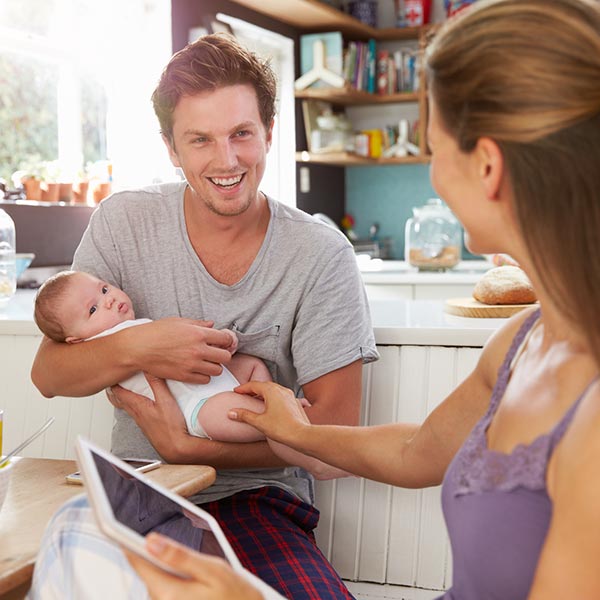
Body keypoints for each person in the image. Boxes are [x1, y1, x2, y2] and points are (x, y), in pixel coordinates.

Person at [97, 0, 600, 598]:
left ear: (487, 167)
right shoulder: (522, 342)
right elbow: (415, 450)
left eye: (434, 149)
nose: (433, 176)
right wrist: (295, 430)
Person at [28, 32, 377, 600]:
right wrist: (144, 346)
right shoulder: (123, 223)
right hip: (139, 493)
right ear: (171, 147)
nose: (227, 160)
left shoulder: (320, 254)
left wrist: (192, 448)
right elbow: (49, 375)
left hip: (256, 501)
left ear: (269, 130)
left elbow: (337, 436)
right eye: (200, 139)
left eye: (242, 133)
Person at [33, 270, 347, 479]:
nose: (109, 299)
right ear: (75, 340)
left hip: (214, 384)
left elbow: (187, 342)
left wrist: (224, 340)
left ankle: (281, 410)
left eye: (104, 288)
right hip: (200, 410)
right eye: (93, 309)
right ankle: (304, 442)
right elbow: (47, 377)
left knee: (251, 365)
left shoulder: (126, 328)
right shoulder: (95, 347)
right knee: (259, 420)